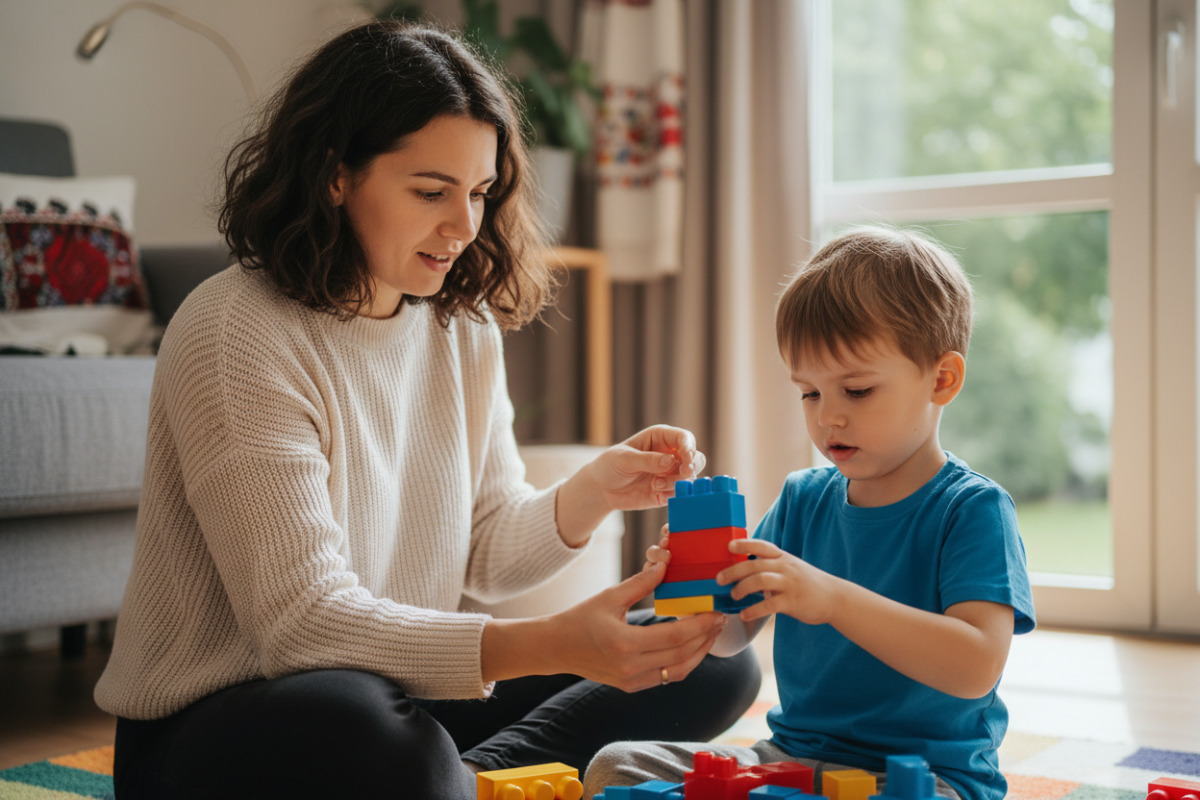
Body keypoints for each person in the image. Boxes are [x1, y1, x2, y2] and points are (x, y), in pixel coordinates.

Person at [93, 20, 759, 800]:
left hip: (402, 692)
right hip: (224, 725)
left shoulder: (460, 326)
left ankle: (465, 783)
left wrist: (594, 490)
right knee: (369, 728)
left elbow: (485, 551)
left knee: (706, 660)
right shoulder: (236, 330)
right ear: (336, 174)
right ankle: (445, 779)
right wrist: (551, 644)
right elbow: (301, 625)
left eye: (479, 192)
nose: (465, 225)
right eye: (431, 191)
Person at [582, 226, 1036, 800]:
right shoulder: (802, 498)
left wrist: (830, 598)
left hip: (923, 778)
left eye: (858, 391)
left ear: (941, 380)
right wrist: (694, 586)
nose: (829, 419)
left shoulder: (971, 509)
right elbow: (729, 640)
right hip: (789, 760)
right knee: (615, 766)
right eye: (810, 393)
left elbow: (976, 666)